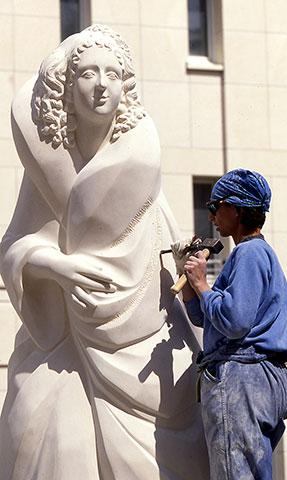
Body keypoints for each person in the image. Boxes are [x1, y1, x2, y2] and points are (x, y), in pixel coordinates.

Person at [0, 25, 210, 479]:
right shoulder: (48, 166)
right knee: (45, 432)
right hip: (64, 333)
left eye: (112, 75)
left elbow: (167, 236)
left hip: (140, 332)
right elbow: (16, 245)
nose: (100, 86)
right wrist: (55, 265)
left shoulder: (139, 163)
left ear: (125, 86)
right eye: (88, 74)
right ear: (67, 87)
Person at [172, 168, 287, 480]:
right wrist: (190, 280)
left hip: (243, 378)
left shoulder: (249, 253)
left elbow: (233, 321)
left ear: (236, 208)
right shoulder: (258, 255)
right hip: (263, 378)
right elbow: (209, 318)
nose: (212, 216)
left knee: (235, 474)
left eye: (215, 207)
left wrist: (203, 285)